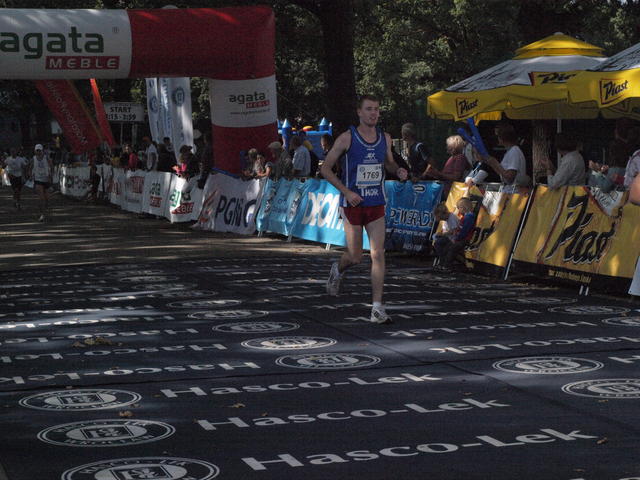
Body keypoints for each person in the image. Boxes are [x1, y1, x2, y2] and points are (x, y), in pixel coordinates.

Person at [320, 94, 408, 324]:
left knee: (378, 254)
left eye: (376, 109)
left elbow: (388, 163)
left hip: (376, 202)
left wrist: (397, 170)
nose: (373, 113)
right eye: (369, 109)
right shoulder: (347, 138)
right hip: (353, 204)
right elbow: (325, 169)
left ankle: (377, 308)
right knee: (356, 256)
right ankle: (337, 269)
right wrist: (346, 192)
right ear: (359, 112)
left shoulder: (385, 138)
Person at [477, 124, 529, 193]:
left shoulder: (514, 151)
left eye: (498, 136)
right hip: (508, 191)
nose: (497, 138)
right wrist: (491, 163)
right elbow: (502, 175)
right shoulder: (510, 151)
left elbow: (510, 177)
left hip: (513, 192)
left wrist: (496, 163)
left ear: (502, 137)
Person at [436, 197, 476, 271]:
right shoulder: (466, 217)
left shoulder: (468, 218)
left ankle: (447, 266)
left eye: (459, 208)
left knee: (452, 247)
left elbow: (464, 231)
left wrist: (456, 239)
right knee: (448, 246)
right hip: (460, 238)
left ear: (463, 208)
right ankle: (444, 264)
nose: (459, 211)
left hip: (464, 239)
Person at [28, 144, 53, 222]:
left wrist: (51, 176)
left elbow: (51, 167)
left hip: (46, 179)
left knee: (47, 199)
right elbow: (30, 168)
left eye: (40, 150)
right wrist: (30, 176)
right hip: (38, 180)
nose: (38, 152)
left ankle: (44, 211)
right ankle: (42, 215)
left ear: (42, 151)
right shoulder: (33, 159)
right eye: (37, 150)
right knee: (41, 198)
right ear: (35, 151)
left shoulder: (46, 158)